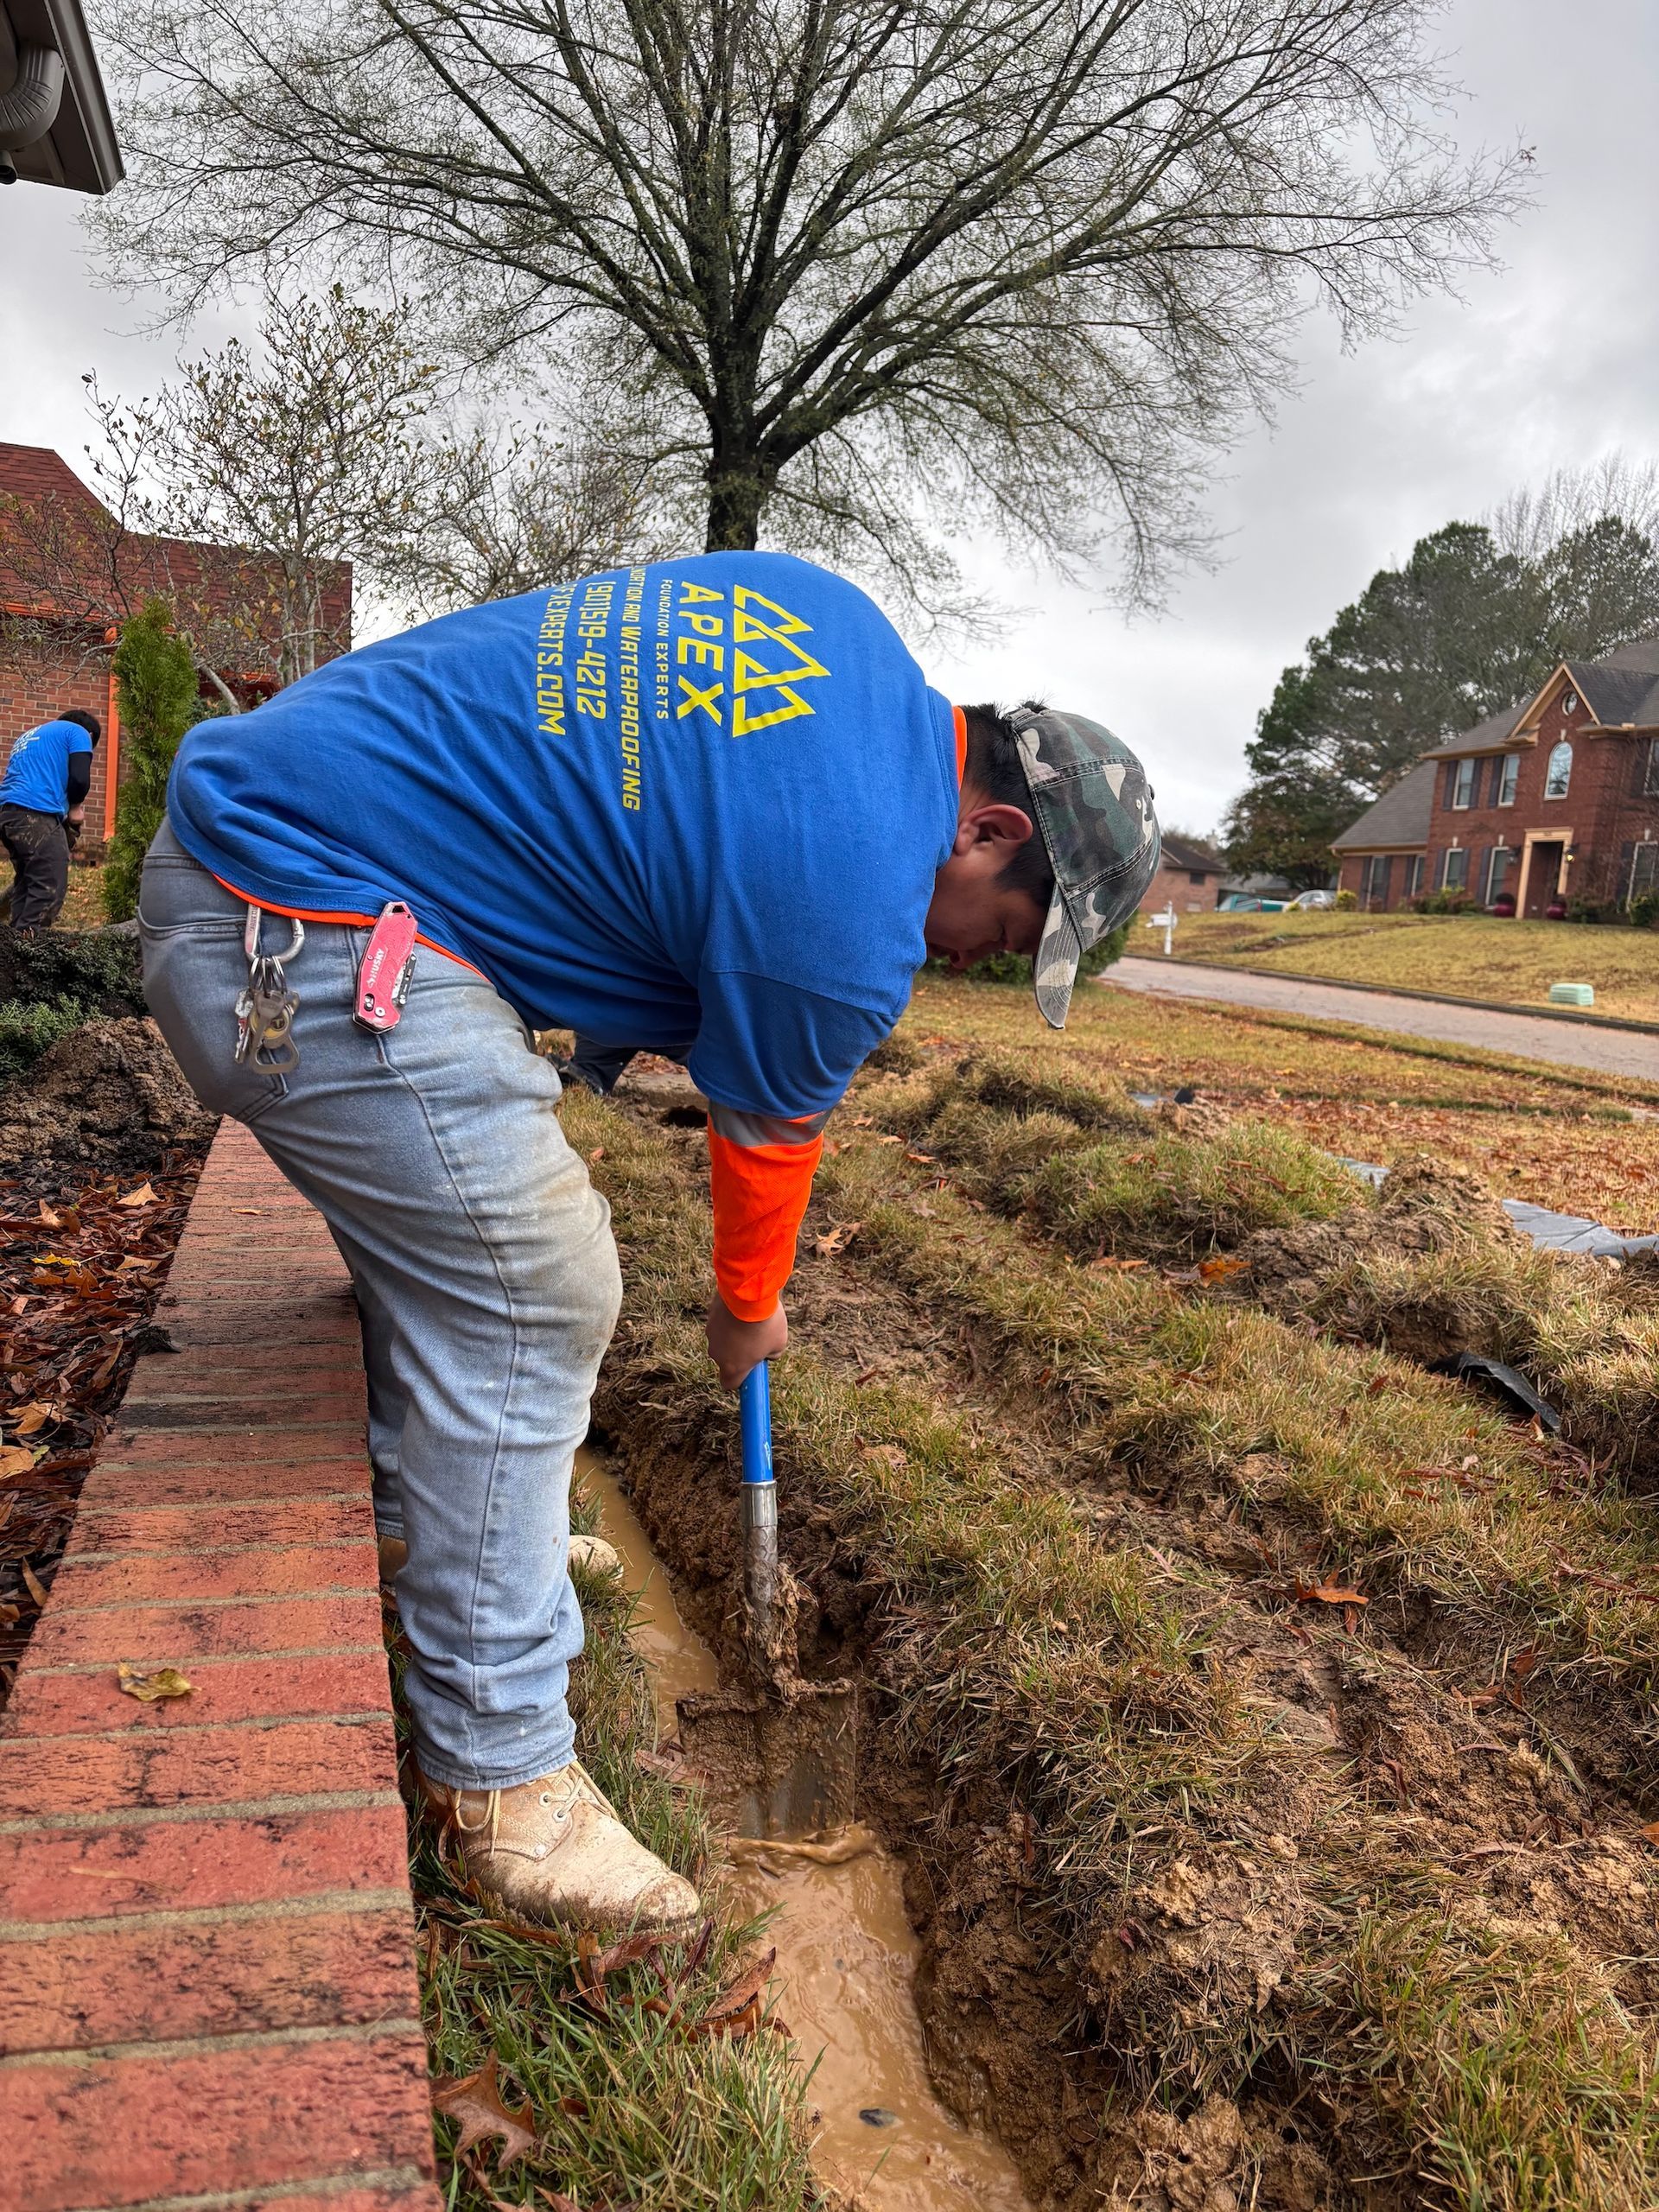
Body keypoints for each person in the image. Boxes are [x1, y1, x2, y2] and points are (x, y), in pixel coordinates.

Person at [138, 552, 1158, 1933]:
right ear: (983, 832)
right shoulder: (854, 912)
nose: (977, 960)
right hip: (289, 919)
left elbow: (647, 840)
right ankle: (500, 1769)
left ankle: (435, 1523)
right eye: (1013, 931)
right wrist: (749, 1312)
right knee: (533, 1288)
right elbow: (765, 1142)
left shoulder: (834, 629)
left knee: (461, 1226)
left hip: (265, 859)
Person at [0, 708, 100, 930]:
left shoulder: (31, 735)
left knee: (28, 883)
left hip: (8, 813)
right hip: (33, 813)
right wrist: (75, 807)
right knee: (50, 884)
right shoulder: (80, 733)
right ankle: (30, 951)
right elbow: (79, 780)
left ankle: (15, 944)